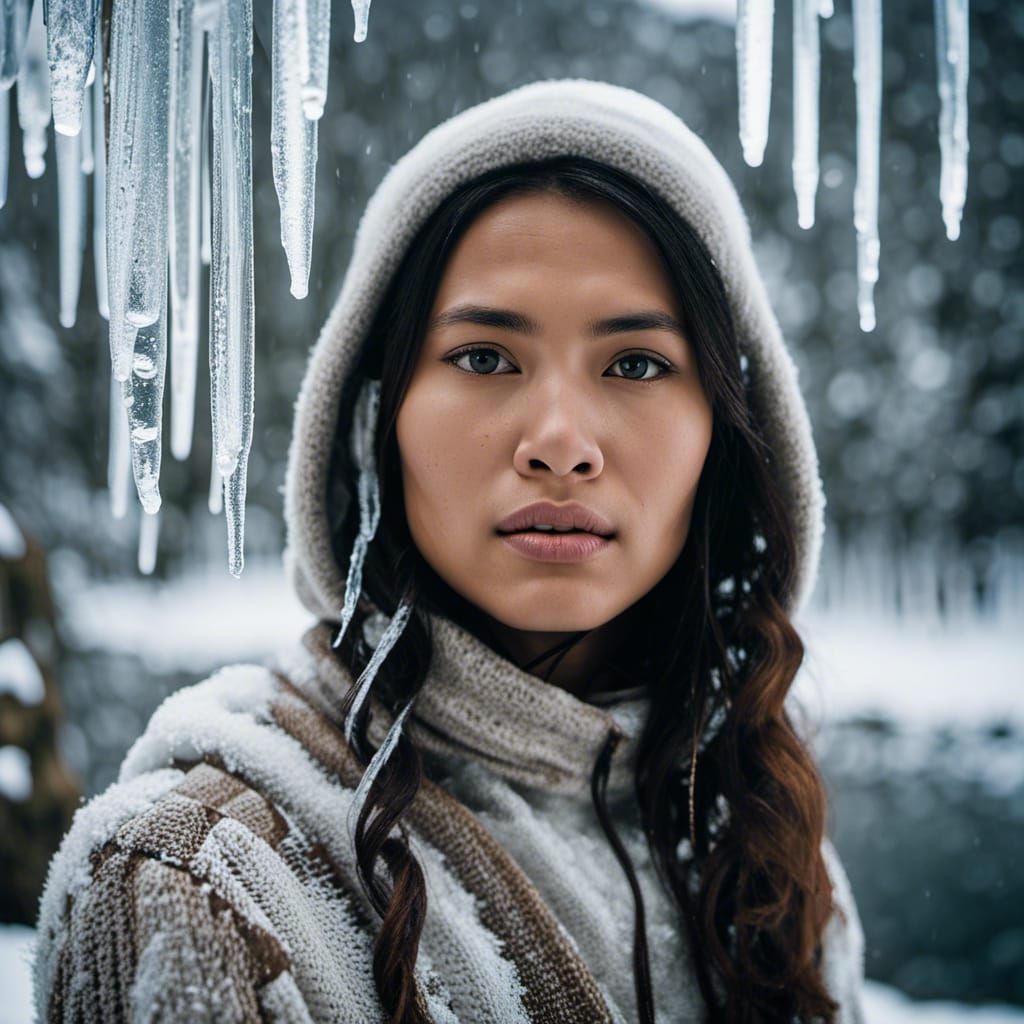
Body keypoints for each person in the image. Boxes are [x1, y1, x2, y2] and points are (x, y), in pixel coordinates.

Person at [33, 79, 866, 1023]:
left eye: (636, 364)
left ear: (727, 433)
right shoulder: (200, 885)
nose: (559, 441)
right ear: (377, 417)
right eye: (483, 357)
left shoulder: (764, 849)